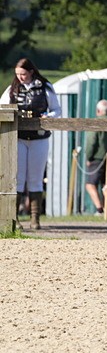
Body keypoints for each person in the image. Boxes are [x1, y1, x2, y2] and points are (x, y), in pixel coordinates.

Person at [2, 58, 61, 229]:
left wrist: (48, 117)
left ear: (31, 72)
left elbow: (57, 109)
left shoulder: (45, 87)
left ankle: (35, 218)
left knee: (35, 178)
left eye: (23, 74)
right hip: (18, 137)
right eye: (18, 74)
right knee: (18, 177)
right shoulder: (12, 89)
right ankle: (15, 219)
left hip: (39, 137)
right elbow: (2, 107)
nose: (20, 77)